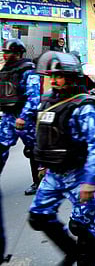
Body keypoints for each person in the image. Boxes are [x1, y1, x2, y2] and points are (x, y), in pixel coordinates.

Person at [29, 51, 95, 265]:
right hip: (53, 174)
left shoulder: (83, 107)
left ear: (71, 78)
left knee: (82, 225)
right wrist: (43, 164)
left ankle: (86, 259)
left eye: (59, 76)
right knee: (39, 216)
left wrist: (90, 181)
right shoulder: (47, 102)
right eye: (51, 76)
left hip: (78, 174)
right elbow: (43, 135)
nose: (53, 80)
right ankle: (71, 252)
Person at [0, 38, 41, 195]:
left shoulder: (28, 71)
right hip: (8, 117)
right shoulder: (5, 70)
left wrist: (23, 117)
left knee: (33, 151)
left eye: (8, 52)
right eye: (4, 52)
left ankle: (38, 182)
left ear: (18, 54)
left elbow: (34, 97)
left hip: (25, 119)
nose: (5, 55)